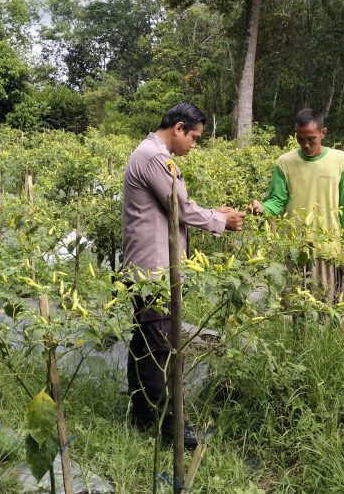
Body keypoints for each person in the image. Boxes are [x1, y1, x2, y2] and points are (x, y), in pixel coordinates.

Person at [121, 102, 245, 448]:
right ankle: (169, 426)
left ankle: (144, 415)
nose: (194, 144)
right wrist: (222, 220)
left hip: (149, 268)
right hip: (154, 272)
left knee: (146, 343)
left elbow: (175, 206)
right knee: (161, 346)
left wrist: (210, 212)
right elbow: (181, 208)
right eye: (193, 136)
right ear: (177, 128)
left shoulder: (150, 154)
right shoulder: (154, 158)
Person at [250, 108, 344, 302]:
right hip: (295, 248)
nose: (306, 144)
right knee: (296, 308)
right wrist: (262, 208)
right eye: (300, 138)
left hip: (328, 248)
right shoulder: (285, 163)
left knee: (328, 306)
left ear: (323, 133)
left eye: (311, 138)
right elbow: (277, 200)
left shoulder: (341, 161)